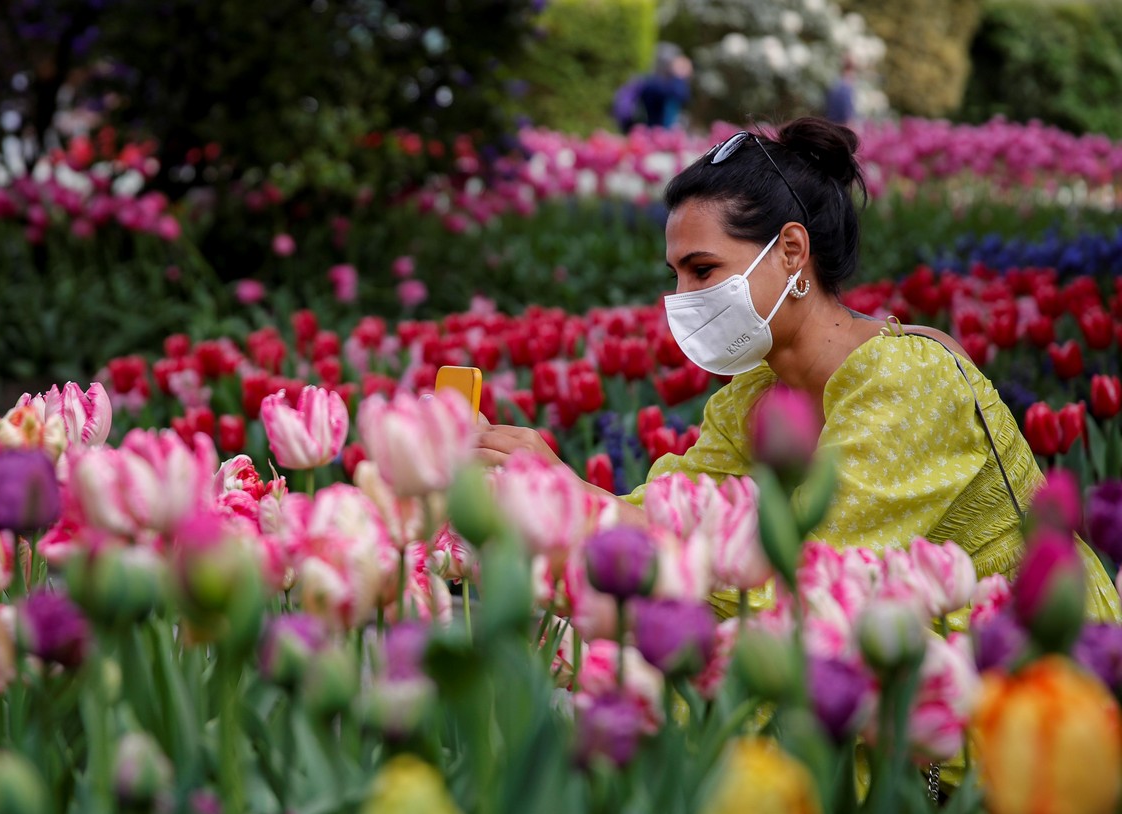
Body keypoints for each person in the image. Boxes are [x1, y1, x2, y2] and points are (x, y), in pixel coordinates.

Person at [474, 116, 1122, 623]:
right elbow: (671, 513)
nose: (681, 298)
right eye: (674, 275)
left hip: (1038, 682)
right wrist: (540, 495)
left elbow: (804, 578)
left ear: (791, 250)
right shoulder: (754, 395)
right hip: (901, 675)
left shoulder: (905, 380)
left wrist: (576, 506)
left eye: (702, 270)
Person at [638, 43, 693, 129]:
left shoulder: (669, 83)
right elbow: (678, 93)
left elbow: (685, 96)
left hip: (659, 130)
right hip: (653, 129)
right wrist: (679, 76)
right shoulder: (654, 82)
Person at [824, 56, 858, 127]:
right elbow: (846, 110)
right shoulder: (845, 86)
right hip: (840, 125)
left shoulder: (835, 83)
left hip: (832, 123)